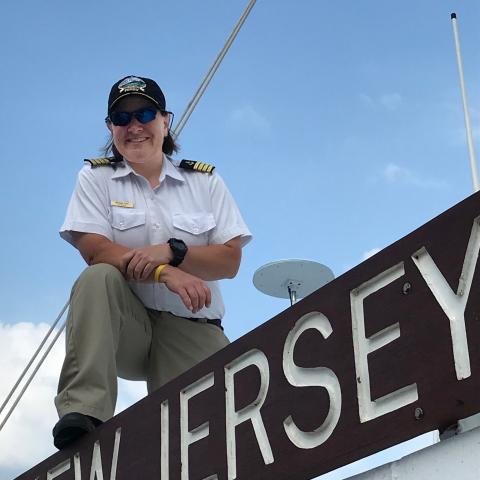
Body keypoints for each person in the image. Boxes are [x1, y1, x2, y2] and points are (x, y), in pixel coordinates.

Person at [52, 75, 251, 449]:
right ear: (111, 128)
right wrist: (165, 272)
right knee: (97, 279)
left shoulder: (204, 182)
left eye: (144, 113)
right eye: (122, 119)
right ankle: (84, 412)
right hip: (129, 328)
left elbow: (229, 260)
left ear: (165, 121)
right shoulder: (96, 178)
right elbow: (95, 249)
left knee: (216, 444)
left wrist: (174, 251)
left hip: (192, 326)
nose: (134, 127)